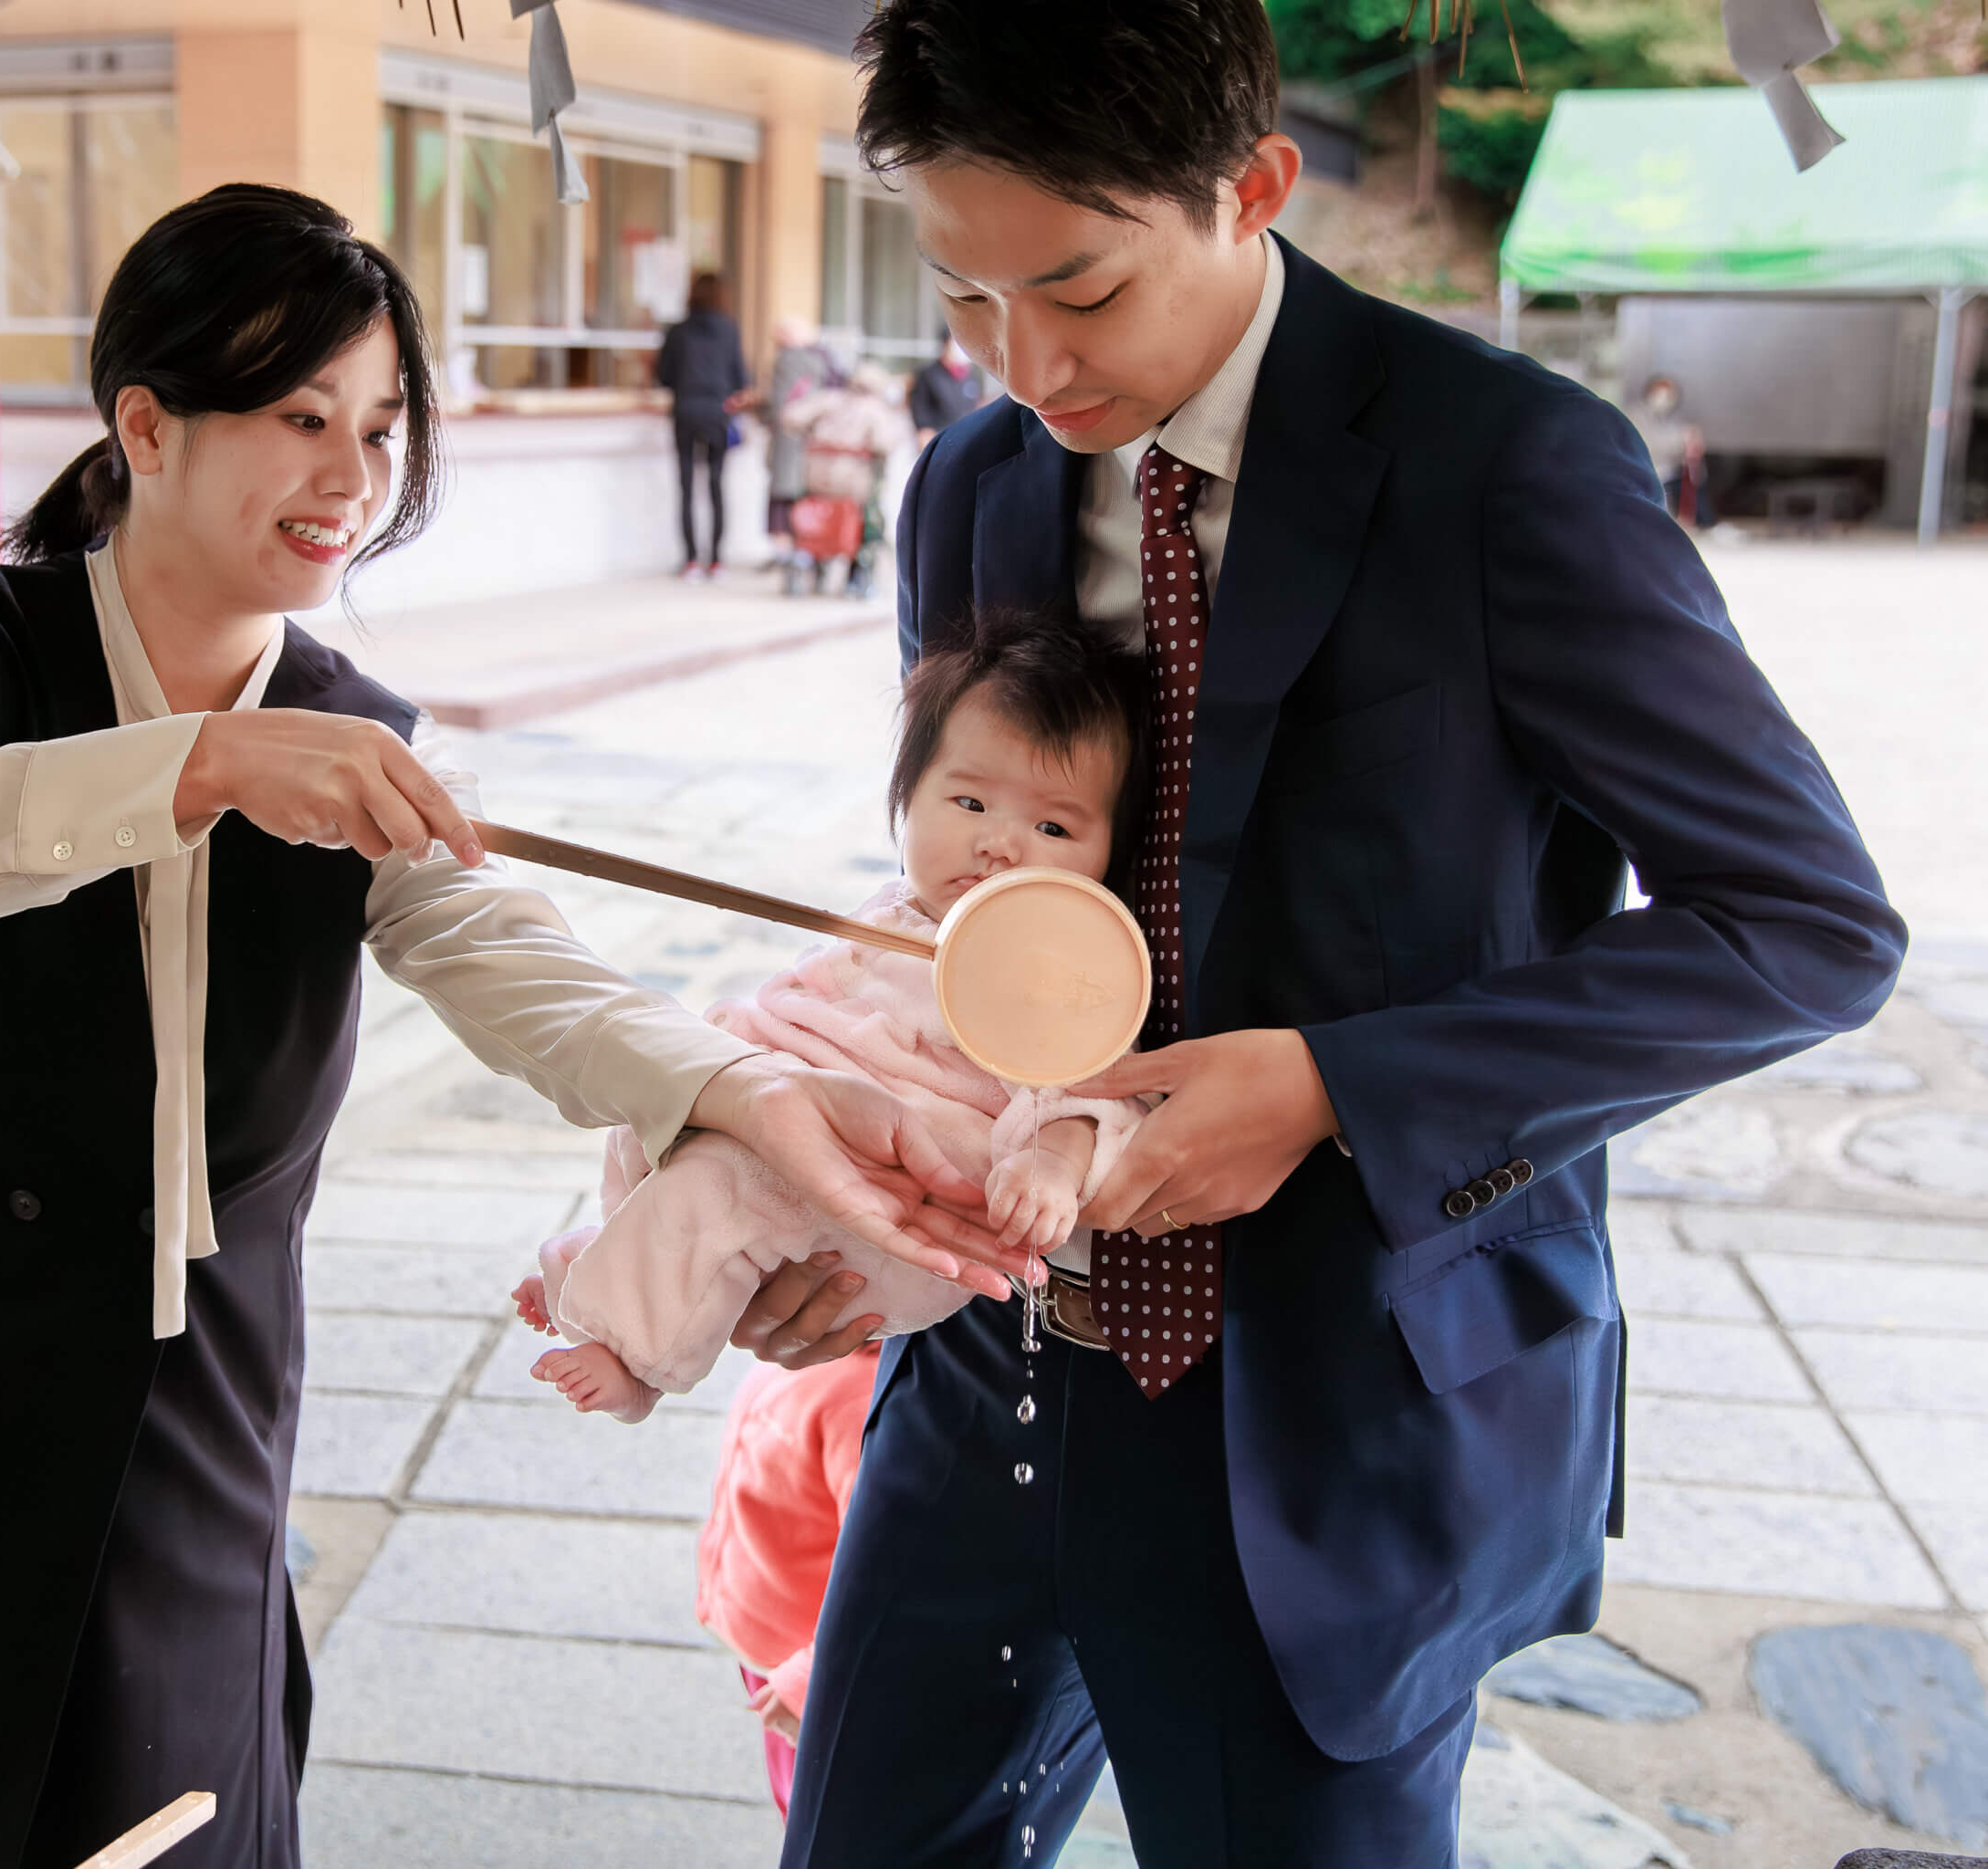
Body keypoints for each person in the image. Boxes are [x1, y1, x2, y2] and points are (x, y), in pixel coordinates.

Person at [0, 184, 1021, 1869]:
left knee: (173, 1808)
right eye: (300, 416)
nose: (350, 476)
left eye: (380, 427)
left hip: (198, 1397)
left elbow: (509, 954)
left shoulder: (345, 729)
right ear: (147, 424)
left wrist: (760, 1096)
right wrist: (194, 766)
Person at [749, 5, 1909, 1867]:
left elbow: (1802, 924)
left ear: (1255, 188)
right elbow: (972, 912)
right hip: (995, 1364)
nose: (1024, 362)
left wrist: (1332, 1086)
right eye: (962, 300)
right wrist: (846, 1195)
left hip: (1328, 1409)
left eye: (1080, 288)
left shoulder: (1503, 470)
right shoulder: (966, 490)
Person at [511, 606, 1152, 1421]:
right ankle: (608, 1272)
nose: (1000, 845)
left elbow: (1089, 1092)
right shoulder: (894, 912)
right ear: (907, 797)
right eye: (969, 803)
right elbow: (805, 1002)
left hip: (913, 1195)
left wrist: (1052, 1168)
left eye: (1053, 825)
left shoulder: (1067, 968)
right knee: (664, 1098)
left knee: (730, 1183)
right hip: (815, 1114)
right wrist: (726, 1056)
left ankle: (637, 1357)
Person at [695, 1342, 882, 1822]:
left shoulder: (861, 1399)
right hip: (775, 1655)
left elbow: (887, 1571)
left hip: (817, 1681)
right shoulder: (812, 1340)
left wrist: (814, 1680)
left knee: (820, 1817)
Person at [779, 360, 916, 597]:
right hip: (853, 483)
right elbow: (886, 443)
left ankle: (808, 561)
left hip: (816, 479)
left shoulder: (828, 400)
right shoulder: (875, 410)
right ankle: (859, 572)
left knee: (810, 508)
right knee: (871, 518)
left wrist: (813, 434)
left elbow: (790, 417)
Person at [655, 269, 751, 579]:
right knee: (716, 485)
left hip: (685, 411)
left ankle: (691, 560)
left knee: (686, 486)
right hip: (717, 413)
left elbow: (664, 375)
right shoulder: (729, 330)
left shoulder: (678, 331)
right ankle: (717, 560)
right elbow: (740, 377)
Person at [764, 316, 836, 564]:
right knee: (809, 495)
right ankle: (808, 550)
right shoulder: (827, 359)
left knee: (784, 495)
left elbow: (778, 405)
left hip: (789, 437)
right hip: (821, 441)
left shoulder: (788, 360)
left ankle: (786, 552)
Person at [1633, 373, 1713, 528]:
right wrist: (1681, 441)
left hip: (1669, 470)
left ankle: (1702, 521)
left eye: (1668, 393)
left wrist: (1691, 443)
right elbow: (1650, 444)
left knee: (1695, 474)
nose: (1664, 397)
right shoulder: (1637, 415)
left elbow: (1680, 443)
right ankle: (1700, 521)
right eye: (1660, 391)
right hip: (1649, 469)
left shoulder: (1671, 418)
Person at [908, 330, 989, 444]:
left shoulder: (971, 376)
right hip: (939, 437)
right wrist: (924, 431)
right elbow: (919, 407)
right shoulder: (929, 375)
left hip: (967, 437)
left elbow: (977, 404)